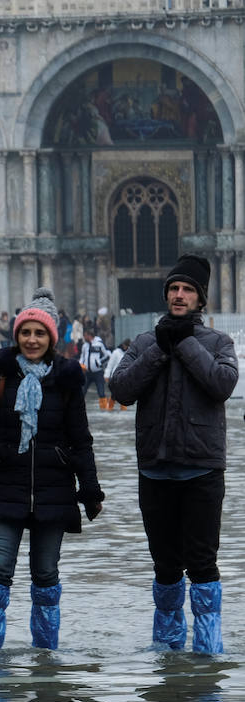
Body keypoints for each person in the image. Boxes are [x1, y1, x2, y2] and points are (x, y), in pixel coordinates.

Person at [0, 288, 104, 651]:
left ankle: (45, 662)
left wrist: (90, 491)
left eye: (40, 333)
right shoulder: (1, 377)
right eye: (26, 332)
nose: (32, 339)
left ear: (51, 338)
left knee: (46, 576)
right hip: (5, 485)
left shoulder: (68, 381)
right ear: (17, 335)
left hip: (54, 490)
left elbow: (81, 441)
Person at [109, 254, 238, 654]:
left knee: (202, 566)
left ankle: (207, 658)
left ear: (201, 300)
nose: (179, 296)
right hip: (155, 472)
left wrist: (183, 344)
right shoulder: (146, 342)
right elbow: (121, 390)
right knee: (165, 569)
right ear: (166, 294)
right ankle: (167, 658)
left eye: (188, 290)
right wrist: (160, 350)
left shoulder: (219, 343)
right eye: (174, 289)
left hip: (201, 471)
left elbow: (222, 384)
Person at [79, 328, 112, 409]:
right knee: (82, 391)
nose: (84, 337)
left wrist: (99, 363)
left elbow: (107, 355)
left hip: (98, 373)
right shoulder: (84, 345)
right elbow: (82, 357)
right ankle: (78, 407)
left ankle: (104, 409)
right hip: (87, 373)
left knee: (101, 392)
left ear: (89, 336)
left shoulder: (99, 344)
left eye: (85, 336)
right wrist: (80, 365)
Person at [103, 338, 131, 411]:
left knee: (122, 394)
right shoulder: (116, 352)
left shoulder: (129, 353)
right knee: (115, 394)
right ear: (123, 345)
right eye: (126, 347)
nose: (127, 348)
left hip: (125, 377)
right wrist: (106, 375)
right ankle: (109, 408)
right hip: (115, 377)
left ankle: (123, 410)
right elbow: (110, 365)